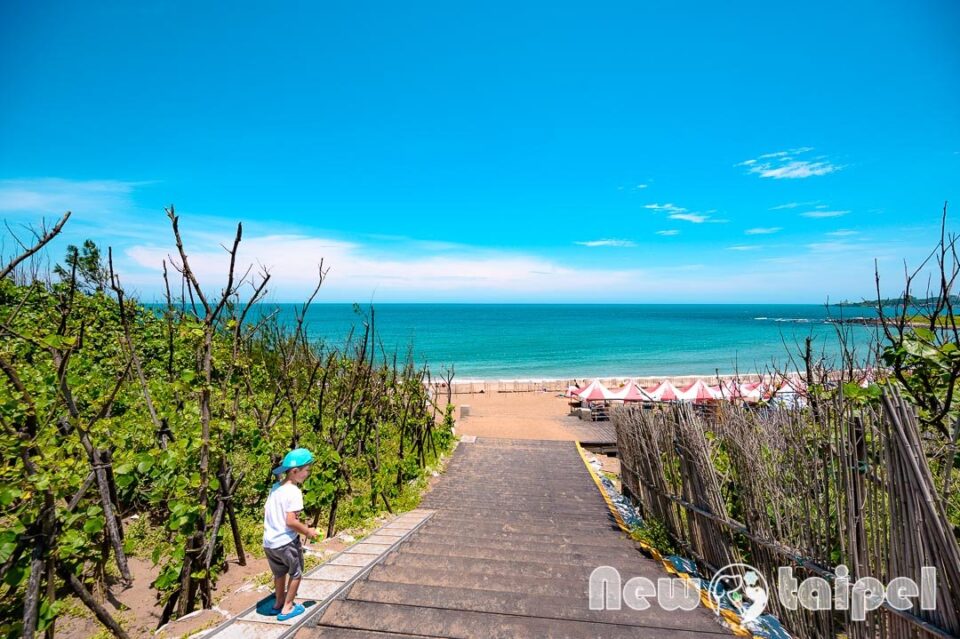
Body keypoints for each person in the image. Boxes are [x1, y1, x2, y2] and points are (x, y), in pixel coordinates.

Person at [263, 447, 319, 620]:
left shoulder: (276, 488)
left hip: (270, 543)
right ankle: (288, 607)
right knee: (296, 573)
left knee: (279, 573)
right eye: (307, 471)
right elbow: (291, 521)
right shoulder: (294, 492)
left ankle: (278, 603)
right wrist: (308, 531)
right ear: (295, 471)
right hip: (286, 543)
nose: (308, 474)